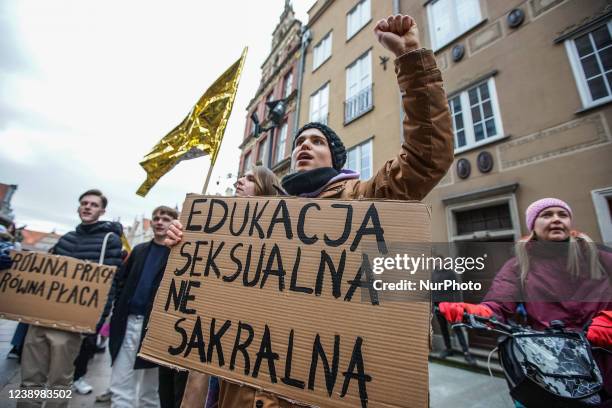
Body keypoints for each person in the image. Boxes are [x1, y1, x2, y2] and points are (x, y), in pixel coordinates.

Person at [169, 14, 454, 408]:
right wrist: (186, 248)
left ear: (334, 158)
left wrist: (412, 61)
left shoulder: (362, 197)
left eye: (316, 141)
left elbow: (427, 158)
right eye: (299, 141)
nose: (303, 145)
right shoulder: (263, 215)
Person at [439, 197, 612, 403]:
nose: (556, 219)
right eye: (547, 215)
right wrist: (478, 312)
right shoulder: (519, 265)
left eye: (562, 215)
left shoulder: (600, 256)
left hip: (605, 357)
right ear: (533, 225)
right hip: (553, 362)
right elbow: (498, 303)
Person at [18, 189, 123, 407]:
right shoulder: (66, 238)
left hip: (71, 325)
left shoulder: (108, 241)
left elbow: (110, 284)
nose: (87, 207)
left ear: (102, 210)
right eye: (84, 203)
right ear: (78, 208)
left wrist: (96, 322)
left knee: (60, 382)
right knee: (29, 380)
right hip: (40, 318)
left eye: (93, 204)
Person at [108, 205, 179, 408]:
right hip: (129, 322)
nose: (159, 222)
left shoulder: (177, 254)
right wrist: (118, 309)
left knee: (152, 389)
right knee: (121, 380)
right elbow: (121, 282)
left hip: (157, 328)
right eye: (156, 218)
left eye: (165, 218)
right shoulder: (139, 250)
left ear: (174, 223)